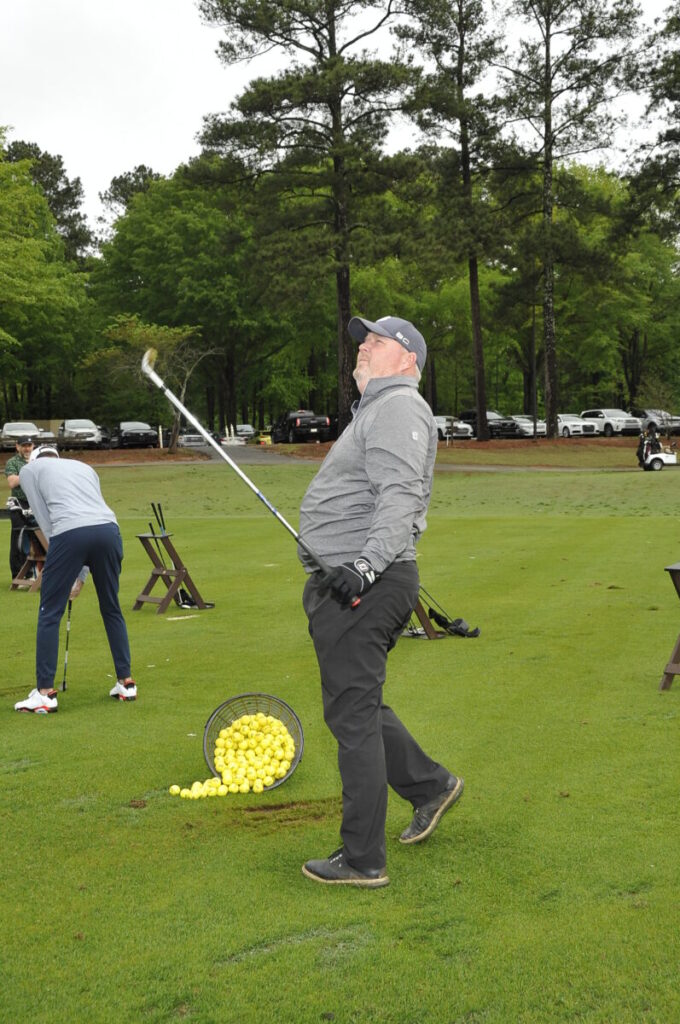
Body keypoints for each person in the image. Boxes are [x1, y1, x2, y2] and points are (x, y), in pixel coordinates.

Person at [298, 315, 463, 889]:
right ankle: (431, 786)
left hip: (365, 582)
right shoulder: (375, 410)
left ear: (408, 360)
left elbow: (400, 497)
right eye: (363, 341)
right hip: (349, 581)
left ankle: (363, 858)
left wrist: (363, 568)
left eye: (377, 341)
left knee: (352, 716)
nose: (363, 347)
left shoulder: (398, 406)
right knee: (357, 706)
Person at [13, 445, 138, 713]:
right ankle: (126, 683)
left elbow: (46, 522)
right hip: (109, 531)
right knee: (111, 607)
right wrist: (78, 575)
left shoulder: (29, 470)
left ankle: (45, 693)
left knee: (49, 612)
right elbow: (92, 514)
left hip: (70, 534)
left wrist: (69, 571)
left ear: (34, 459)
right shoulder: (84, 467)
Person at [4, 435, 36, 580]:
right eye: (24, 446)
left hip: (35, 504)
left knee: (36, 540)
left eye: (29, 445)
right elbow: (12, 482)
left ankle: (31, 574)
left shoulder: (37, 460)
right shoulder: (13, 462)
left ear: (33, 446)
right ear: (17, 447)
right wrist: (30, 471)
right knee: (18, 539)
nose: (27, 449)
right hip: (19, 505)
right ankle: (17, 575)